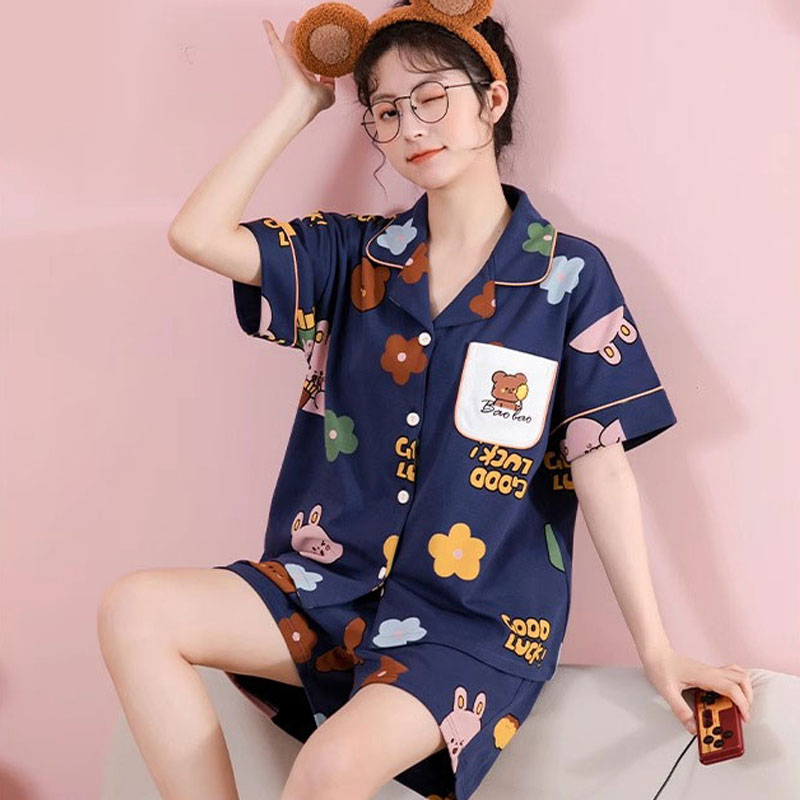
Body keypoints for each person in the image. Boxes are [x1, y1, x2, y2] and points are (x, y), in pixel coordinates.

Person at [97, 2, 755, 799]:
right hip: (329, 588)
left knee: (329, 767)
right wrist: (299, 106)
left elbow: (602, 466)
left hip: (472, 623)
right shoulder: (352, 257)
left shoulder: (567, 278)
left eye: (433, 97)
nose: (410, 126)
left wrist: (657, 649)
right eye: (385, 110)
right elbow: (197, 234)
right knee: (135, 610)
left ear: (493, 99)